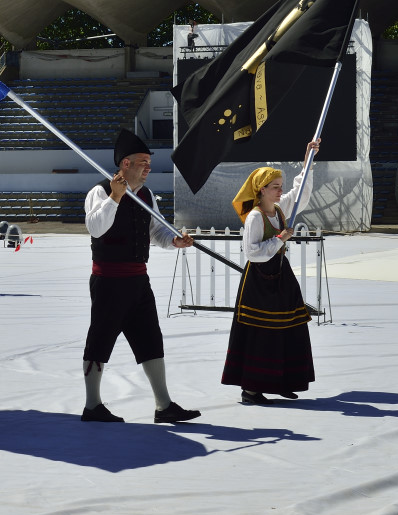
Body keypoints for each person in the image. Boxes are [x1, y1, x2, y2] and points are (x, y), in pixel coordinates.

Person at [81, 129, 200, 424]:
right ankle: (92, 405)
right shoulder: (99, 191)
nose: (148, 167)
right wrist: (115, 198)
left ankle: (164, 405)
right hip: (109, 280)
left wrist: (174, 241)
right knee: (100, 339)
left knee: (150, 339)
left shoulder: (147, 195)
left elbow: (156, 231)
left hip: (138, 281)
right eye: (142, 162)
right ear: (125, 164)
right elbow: (96, 228)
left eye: (149, 161)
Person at [222, 141, 321, 404]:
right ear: (262, 190)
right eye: (275, 187)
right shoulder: (255, 217)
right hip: (259, 280)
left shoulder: (279, 209)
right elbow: (252, 253)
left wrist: (308, 160)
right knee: (261, 331)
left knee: (289, 327)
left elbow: (301, 191)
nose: (280, 191)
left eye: (280, 186)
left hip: (280, 276)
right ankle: (252, 389)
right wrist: (279, 239)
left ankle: (282, 380)